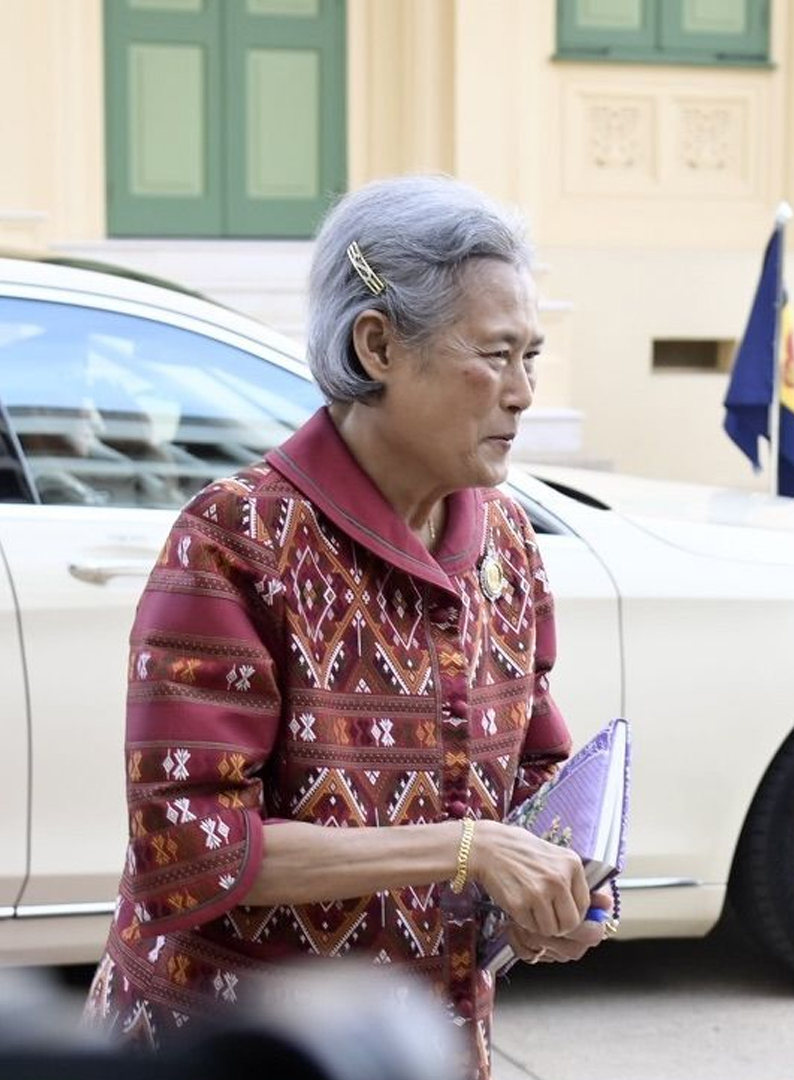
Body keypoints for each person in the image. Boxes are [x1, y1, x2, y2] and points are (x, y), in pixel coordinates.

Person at [83, 175, 612, 1079]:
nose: (523, 392)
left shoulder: (510, 541)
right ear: (377, 347)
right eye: (495, 354)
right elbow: (190, 846)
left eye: (533, 355)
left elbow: (536, 772)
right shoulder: (237, 539)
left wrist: (556, 897)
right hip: (232, 1049)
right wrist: (468, 850)